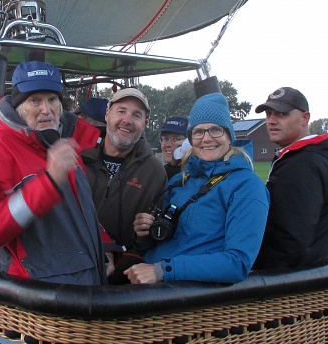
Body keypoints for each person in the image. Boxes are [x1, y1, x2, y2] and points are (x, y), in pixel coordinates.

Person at [0, 61, 108, 285]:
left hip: (87, 288)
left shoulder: (66, 141)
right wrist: (48, 184)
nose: (46, 109)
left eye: (52, 99)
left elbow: (78, 215)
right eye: (35, 100)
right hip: (38, 296)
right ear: (19, 106)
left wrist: (106, 245)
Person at [125, 93, 269, 284]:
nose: (206, 139)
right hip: (148, 280)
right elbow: (163, 243)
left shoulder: (247, 186)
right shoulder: (180, 181)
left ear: (229, 136)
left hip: (189, 294)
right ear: (191, 139)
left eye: (215, 130)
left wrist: (163, 270)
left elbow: (237, 263)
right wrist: (145, 234)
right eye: (198, 132)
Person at [252, 87, 328, 270]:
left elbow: (292, 239)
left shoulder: (304, 165)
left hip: (294, 277)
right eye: (269, 114)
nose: (271, 121)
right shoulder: (300, 158)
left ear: (305, 118)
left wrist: (249, 264)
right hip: (305, 270)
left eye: (282, 114)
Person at [81, 88, 166, 249]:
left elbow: (154, 240)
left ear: (145, 124)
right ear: (107, 114)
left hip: (125, 263)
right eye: (121, 111)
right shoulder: (78, 158)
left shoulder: (154, 173)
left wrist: (144, 234)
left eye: (136, 115)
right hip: (73, 261)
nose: (127, 120)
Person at [159, 116, 188, 180]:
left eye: (177, 139)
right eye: (165, 138)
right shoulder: (157, 173)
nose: (168, 144)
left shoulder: (197, 175)